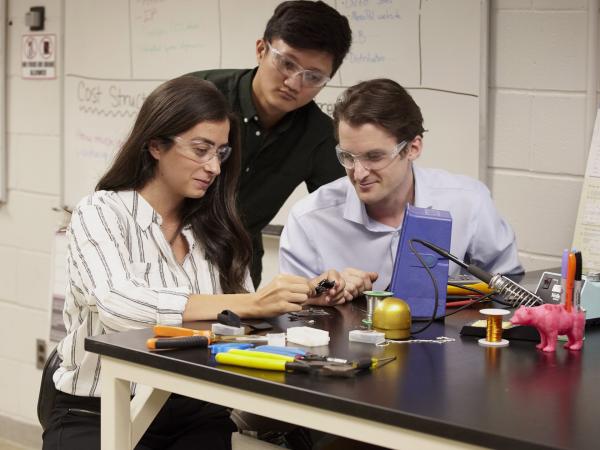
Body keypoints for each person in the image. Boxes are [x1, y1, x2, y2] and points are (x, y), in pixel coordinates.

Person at [42, 76, 346, 450]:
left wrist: (297, 301)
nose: (213, 167)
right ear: (155, 145)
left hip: (193, 414)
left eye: (220, 153)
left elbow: (242, 327)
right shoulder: (101, 211)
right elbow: (117, 306)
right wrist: (248, 303)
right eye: (200, 150)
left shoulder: (217, 228)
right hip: (96, 411)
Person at [280, 78, 523, 298]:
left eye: (374, 157)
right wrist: (328, 288)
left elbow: (511, 287)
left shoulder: (468, 201)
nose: (359, 172)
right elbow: (296, 301)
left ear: (413, 148)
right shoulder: (309, 218)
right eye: (347, 157)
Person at [189, 0, 352, 288]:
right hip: (165, 248)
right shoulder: (196, 94)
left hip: (237, 264)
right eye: (286, 63)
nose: (293, 82)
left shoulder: (321, 136)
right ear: (261, 49)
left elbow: (337, 214)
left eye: (312, 76)